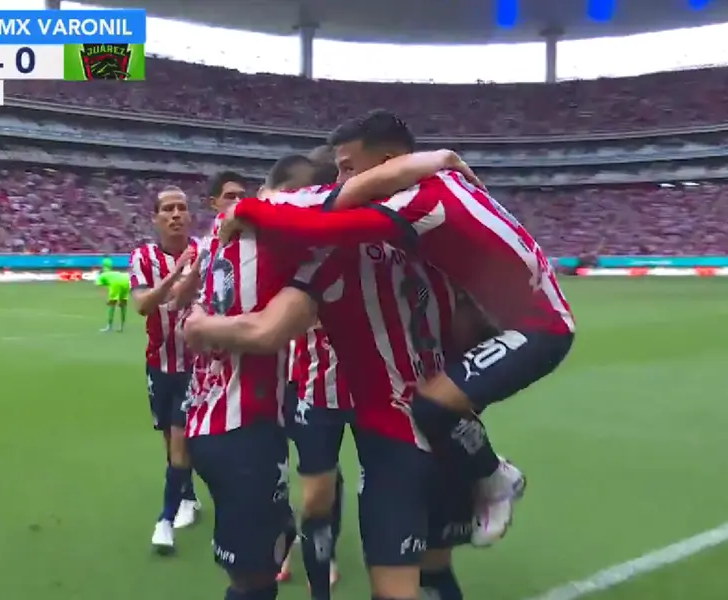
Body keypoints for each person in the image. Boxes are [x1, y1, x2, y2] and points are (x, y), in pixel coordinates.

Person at [221, 110, 575, 547]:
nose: (342, 178)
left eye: (349, 167)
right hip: (495, 321)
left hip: (538, 326)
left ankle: (495, 479)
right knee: (433, 410)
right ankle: (458, 509)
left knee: (433, 407)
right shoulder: (436, 184)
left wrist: (247, 210)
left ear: (388, 160)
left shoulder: (421, 203)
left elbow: (319, 223)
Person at [186, 171, 491, 600]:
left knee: (422, 543)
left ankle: (486, 476)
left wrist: (201, 321)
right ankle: (319, 583)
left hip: (387, 393)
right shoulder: (301, 238)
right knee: (317, 501)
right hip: (317, 386)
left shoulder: (372, 235)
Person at [179, 160, 342, 600]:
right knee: (254, 582)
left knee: (270, 547)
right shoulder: (278, 238)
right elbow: (266, 333)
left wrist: (198, 322)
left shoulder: (219, 229)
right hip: (243, 427)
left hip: (210, 420)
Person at [127, 186, 202, 552]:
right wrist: (176, 272)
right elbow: (143, 305)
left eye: (181, 208)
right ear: (156, 219)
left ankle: (166, 519)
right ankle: (188, 495)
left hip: (197, 366)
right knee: (169, 441)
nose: (175, 214)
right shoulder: (142, 257)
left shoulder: (206, 252)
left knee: (180, 443)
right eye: (167, 209)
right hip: (159, 364)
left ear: (190, 216)